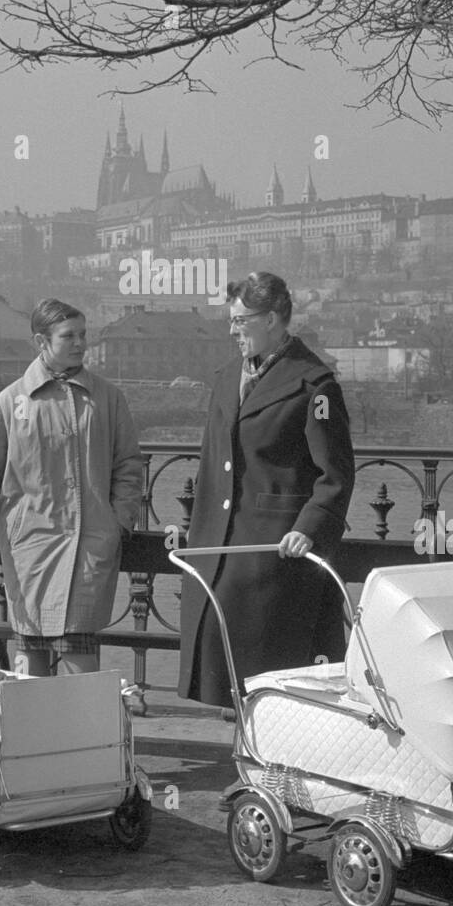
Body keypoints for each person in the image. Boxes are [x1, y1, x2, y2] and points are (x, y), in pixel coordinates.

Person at [0, 298, 145, 676]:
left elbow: (129, 464)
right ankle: (33, 735)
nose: (80, 344)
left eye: (83, 335)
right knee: (30, 662)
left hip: (89, 546)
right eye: (69, 336)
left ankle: (82, 735)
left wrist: (119, 521)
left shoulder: (108, 398)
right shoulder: (10, 402)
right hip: (30, 548)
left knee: (80, 661)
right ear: (41, 341)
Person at [178, 271, 356, 708]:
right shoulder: (224, 379)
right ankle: (246, 763)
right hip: (220, 546)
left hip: (278, 553)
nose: (232, 329)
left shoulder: (315, 385)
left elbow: (335, 473)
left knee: (271, 675)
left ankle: (270, 771)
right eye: (231, 320)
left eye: (242, 320)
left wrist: (309, 528)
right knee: (226, 670)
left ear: (273, 318)